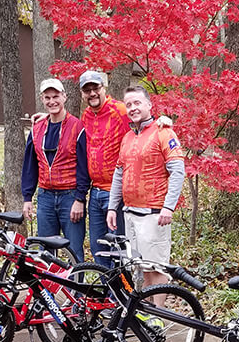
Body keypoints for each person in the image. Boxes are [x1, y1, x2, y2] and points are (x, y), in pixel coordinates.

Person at [106, 85, 184, 297]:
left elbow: (178, 171)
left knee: (156, 267)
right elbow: (119, 174)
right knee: (139, 267)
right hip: (129, 213)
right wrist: (113, 207)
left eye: (137, 103)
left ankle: (157, 317)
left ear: (149, 105)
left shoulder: (163, 132)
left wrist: (168, 207)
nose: (133, 108)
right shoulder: (128, 138)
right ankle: (146, 312)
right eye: (129, 104)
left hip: (154, 215)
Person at [21, 78, 86, 260]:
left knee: (74, 251)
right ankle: (49, 289)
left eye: (56, 96)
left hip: (70, 197)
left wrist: (80, 198)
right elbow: (30, 166)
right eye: (47, 98)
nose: (52, 101)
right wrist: (27, 197)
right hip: (45, 198)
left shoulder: (77, 127)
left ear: (64, 97)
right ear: (42, 100)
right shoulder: (37, 129)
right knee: (45, 252)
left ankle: (76, 289)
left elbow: (83, 166)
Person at [74, 70, 129, 268]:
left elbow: (144, 124)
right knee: (99, 249)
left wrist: (163, 123)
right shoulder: (86, 116)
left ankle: (121, 296)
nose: (92, 93)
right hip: (94, 193)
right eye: (87, 90)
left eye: (95, 88)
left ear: (103, 88)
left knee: (118, 249)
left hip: (116, 193)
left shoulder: (120, 110)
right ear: (82, 93)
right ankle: (105, 296)